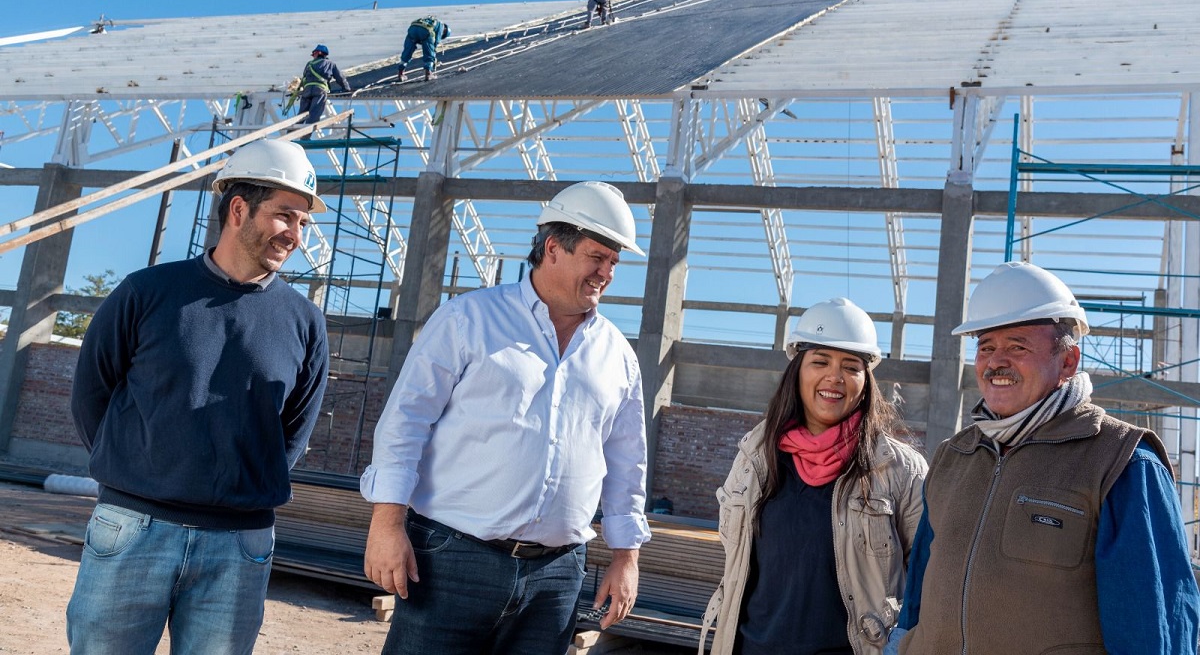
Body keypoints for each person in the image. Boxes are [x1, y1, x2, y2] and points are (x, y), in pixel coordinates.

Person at [360, 180, 651, 655]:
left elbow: (626, 462)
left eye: (614, 263)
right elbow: (405, 423)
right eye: (598, 257)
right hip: (452, 560)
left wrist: (626, 557)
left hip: (556, 577)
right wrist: (386, 524)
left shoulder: (616, 354)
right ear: (554, 247)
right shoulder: (468, 320)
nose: (607, 273)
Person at [66, 138, 331, 655]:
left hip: (239, 544)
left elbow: (293, 431)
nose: (296, 235)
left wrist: (237, 485)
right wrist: (140, 471)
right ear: (238, 208)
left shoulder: (304, 323)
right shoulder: (146, 292)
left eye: (303, 223)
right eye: (285, 217)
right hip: (131, 528)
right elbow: (90, 395)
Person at [887, 262, 1200, 655]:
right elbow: (919, 591)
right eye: (986, 347)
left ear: (1067, 362)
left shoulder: (1122, 462)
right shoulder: (955, 456)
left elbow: (1155, 624)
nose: (996, 362)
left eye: (1017, 346)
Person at [701, 298, 927, 655]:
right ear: (797, 371)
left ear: (865, 381)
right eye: (820, 361)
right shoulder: (755, 456)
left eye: (850, 366)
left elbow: (926, 580)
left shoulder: (899, 471)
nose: (834, 377)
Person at [297, 43, 351, 125]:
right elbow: (340, 78)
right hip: (319, 91)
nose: (313, 56)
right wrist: (347, 89)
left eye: (313, 54)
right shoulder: (330, 64)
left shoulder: (309, 64)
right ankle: (305, 136)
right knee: (314, 114)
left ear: (318, 53)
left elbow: (304, 79)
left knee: (300, 116)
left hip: (306, 92)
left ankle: (289, 135)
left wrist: (299, 90)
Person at [397, 17, 451, 82]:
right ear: (445, 31)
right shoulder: (441, 26)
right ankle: (428, 73)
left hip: (413, 28)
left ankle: (401, 74)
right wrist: (433, 58)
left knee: (407, 51)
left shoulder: (430, 20)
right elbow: (435, 43)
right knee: (429, 52)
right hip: (425, 30)